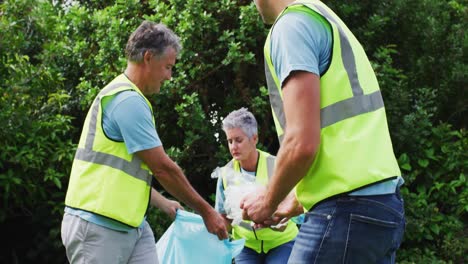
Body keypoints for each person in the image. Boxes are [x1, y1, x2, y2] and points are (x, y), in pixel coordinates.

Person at [241, 0, 406, 263]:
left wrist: (268, 200)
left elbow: (301, 143)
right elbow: (339, 143)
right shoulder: (323, 19)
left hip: (345, 211)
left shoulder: (290, 28)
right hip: (382, 206)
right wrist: (292, 202)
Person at [61, 21, 228, 264]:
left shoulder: (132, 99)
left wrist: (164, 202)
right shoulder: (126, 101)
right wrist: (207, 211)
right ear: (148, 57)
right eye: (168, 67)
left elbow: (128, 172)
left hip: (133, 227)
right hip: (98, 228)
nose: (169, 76)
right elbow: (163, 168)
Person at [214, 108, 302, 264]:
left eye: (238, 140)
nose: (233, 146)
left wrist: (284, 220)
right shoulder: (225, 174)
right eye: (229, 141)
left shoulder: (277, 166)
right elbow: (223, 217)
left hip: (282, 242)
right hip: (246, 247)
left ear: (254, 139)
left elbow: (299, 206)